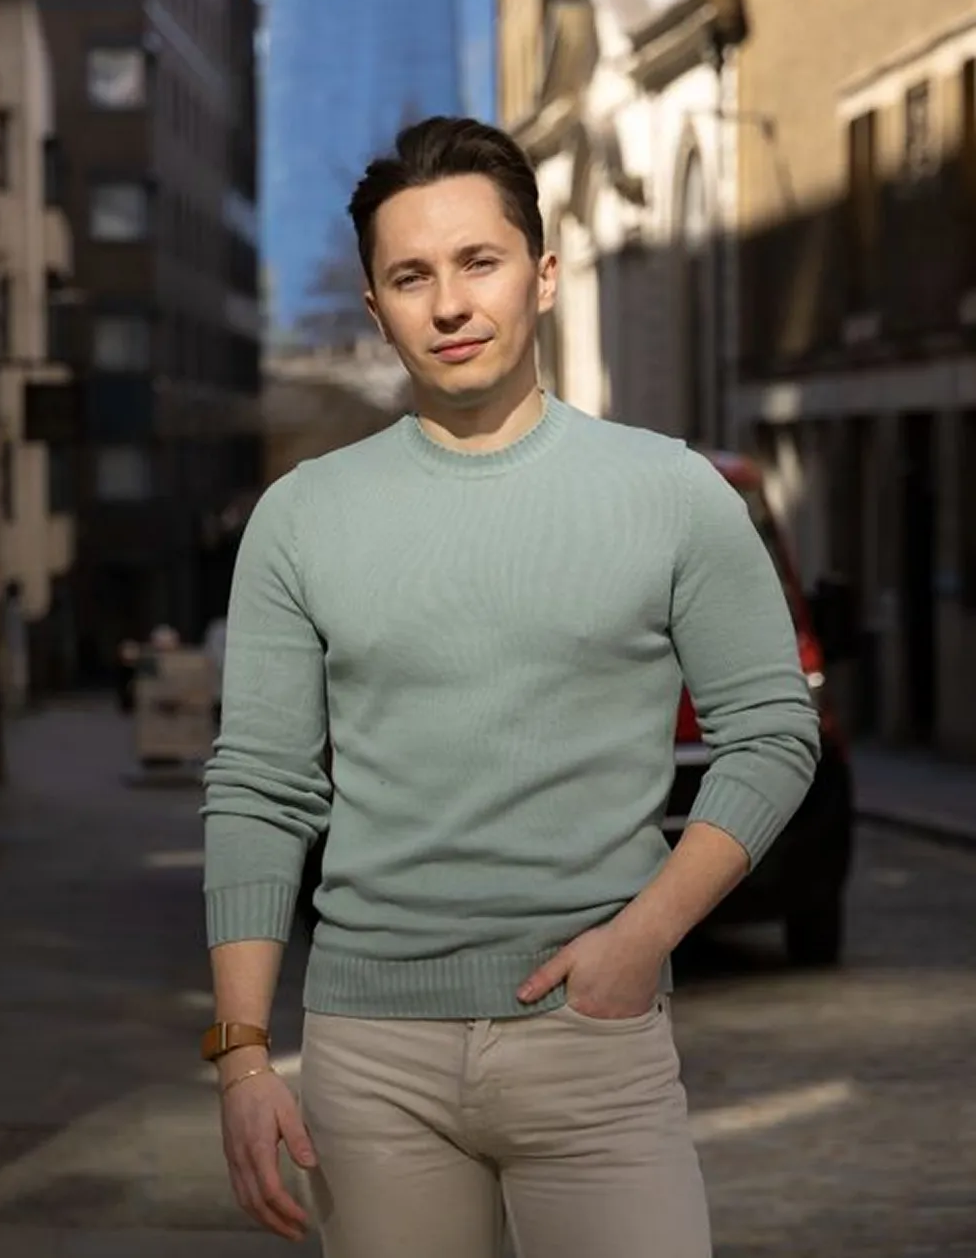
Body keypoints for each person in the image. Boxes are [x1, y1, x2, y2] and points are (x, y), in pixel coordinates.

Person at [200, 117, 820, 1258]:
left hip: (593, 1043)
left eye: (477, 262)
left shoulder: (672, 492)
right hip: (368, 1059)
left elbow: (774, 732)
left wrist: (642, 938)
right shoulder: (302, 516)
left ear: (539, 276)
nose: (447, 303)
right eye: (409, 276)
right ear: (375, 305)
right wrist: (241, 1054)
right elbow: (259, 787)